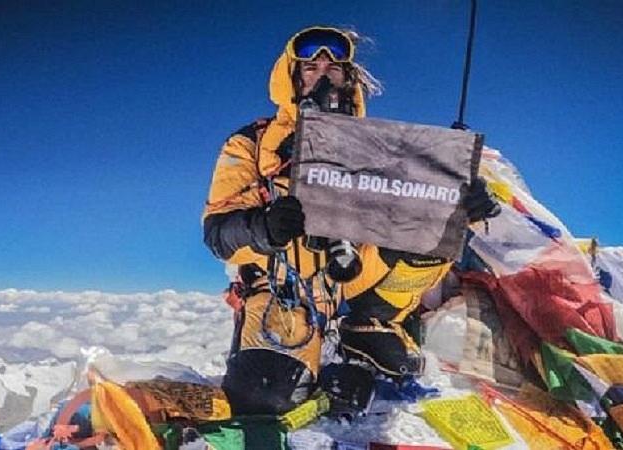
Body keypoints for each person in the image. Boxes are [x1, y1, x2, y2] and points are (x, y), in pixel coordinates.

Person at [202, 26, 499, 415]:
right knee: (264, 395)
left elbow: (430, 200)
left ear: (348, 78)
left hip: (359, 275)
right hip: (283, 288)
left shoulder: (386, 147)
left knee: (430, 227)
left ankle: (370, 327)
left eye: (334, 68)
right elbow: (217, 233)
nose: (323, 76)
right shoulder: (251, 144)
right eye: (311, 66)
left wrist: (466, 206)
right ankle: (300, 356)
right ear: (291, 76)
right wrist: (263, 226)